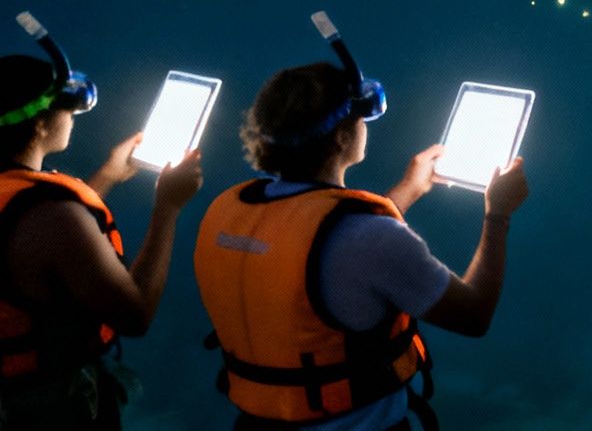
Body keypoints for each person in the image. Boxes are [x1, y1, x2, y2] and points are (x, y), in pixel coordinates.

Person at [193, 59, 530, 431]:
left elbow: (323, 245)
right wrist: (498, 214)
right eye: (361, 118)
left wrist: (409, 189)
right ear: (341, 136)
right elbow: (473, 315)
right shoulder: (371, 239)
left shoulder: (229, 211)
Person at [0, 51, 205, 430]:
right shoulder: (55, 217)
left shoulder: (23, 203)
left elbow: (27, 236)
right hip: (47, 408)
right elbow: (135, 313)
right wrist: (168, 207)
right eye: (68, 106)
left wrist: (107, 176)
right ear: (40, 125)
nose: (73, 115)